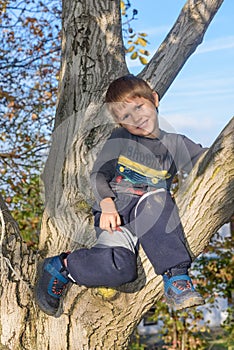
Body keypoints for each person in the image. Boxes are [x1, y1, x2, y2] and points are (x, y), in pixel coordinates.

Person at [35, 75, 206, 317]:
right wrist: (106, 204)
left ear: (154, 99)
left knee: (157, 198)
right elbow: (99, 174)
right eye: (126, 116)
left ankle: (176, 277)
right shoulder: (120, 140)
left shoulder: (176, 143)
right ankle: (63, 266)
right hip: (116, 213)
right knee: (122, 269)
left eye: (139, 107)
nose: (136, 118)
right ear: (119, 122)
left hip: (150, 214)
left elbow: (208, 160)